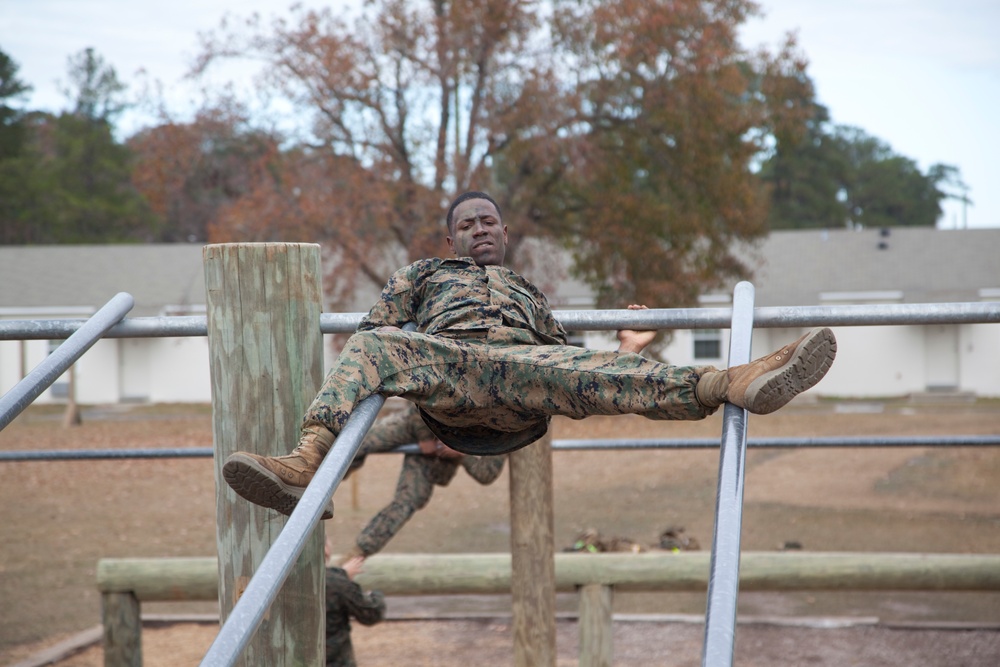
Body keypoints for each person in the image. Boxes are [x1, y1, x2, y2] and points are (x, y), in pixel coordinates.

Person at [223, 191, 837, 518]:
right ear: (451, 238)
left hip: (523, 387)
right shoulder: (421, 273)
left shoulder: (528, 291)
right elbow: (381, 337)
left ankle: (734, 382)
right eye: (468, 224)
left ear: (506, 232)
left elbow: (565, 365)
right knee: (371, 342)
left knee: (584, 367)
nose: (481, 229)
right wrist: (398, 362)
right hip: (451, 375)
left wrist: (620, 351)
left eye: (489, 221)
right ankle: (306, 465)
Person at [339, 402, 506, 562]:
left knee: (408, 501)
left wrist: (463, 451)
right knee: (355, 441)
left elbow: (486, 474)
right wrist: (424, 438)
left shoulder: (504, 424)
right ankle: (320, 492)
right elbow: (419, 400)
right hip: (418, 425)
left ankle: (356, 555)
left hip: (439, 453)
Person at [324, 541, 386, 667]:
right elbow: (371, 614)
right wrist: (375, 595)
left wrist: (341, 574)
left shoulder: (283, 577)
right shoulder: (338, 583)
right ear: (325, 549)